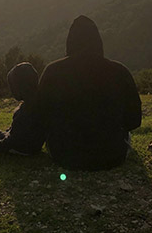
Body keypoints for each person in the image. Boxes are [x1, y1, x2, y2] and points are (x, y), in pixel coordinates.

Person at [38, 15, 141, 170]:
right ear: (98, 41)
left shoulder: (52, 71)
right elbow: (134, 121)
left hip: (64, 155)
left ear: (69, 41)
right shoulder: (120, 71)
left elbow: (40, 116)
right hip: (111, 155)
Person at [0, 62, 45, 160]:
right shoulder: (41, 103)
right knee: (7, 132)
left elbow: (13, 138)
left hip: (22, 148)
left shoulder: (25, 110)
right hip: (36, 147)